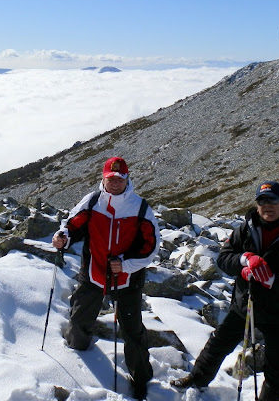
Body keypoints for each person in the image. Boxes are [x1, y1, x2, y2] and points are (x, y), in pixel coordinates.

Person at [172, 181, 279, 401]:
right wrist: (243, 260)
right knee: (218, 343)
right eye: (262, 201)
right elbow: (224, 258)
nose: (267, 206)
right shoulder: (246, 229)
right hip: (246, 304)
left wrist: (273, 281)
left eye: (273, 200)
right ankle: (197, 378)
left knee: (276, 367)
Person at [52, 156, 161, 400]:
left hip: (127, 280)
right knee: (80, 317)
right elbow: (73, 226)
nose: (115, 183)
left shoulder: (140, 207)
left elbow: (151, 246)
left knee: (132, 331)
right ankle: (76, 352)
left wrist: (126, 264)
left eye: (120, 179)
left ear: (127, 179)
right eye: (110, 178)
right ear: (103, 177)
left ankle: (141, 378)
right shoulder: (92, 201)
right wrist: (63, 238)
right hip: (93, 273)